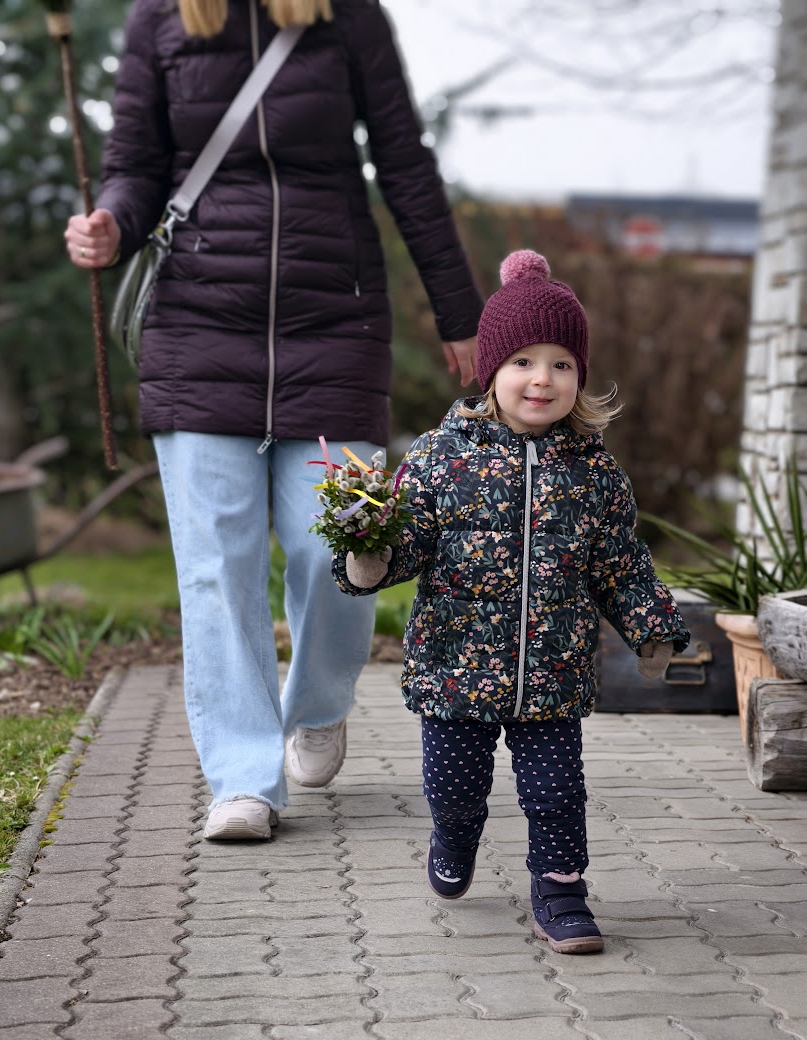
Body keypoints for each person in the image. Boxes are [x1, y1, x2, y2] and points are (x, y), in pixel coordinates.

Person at [63, 0, 483, 840]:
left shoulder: (346, 15)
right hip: (197, 330)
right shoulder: (162, 19)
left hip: (332, 326)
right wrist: (112, 219)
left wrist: (460, 312)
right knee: (217, 569)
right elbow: (135, 161)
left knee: (346, 544)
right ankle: (244, 779)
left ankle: (319, 701)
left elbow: (403, 160)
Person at [333, 250, 690, 954]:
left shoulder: (592, 471)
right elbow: (403, 546)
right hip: (455, 672)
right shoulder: (440, 457)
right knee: (453, 787)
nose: (542, 378)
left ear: (579, 378)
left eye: (561, 364)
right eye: (523, 360)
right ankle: (454, 834)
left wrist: (653, 630)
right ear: (489, 371)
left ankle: (560, 894)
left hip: (553, 675)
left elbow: (619, 561)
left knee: (557, 795)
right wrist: (369, 555)